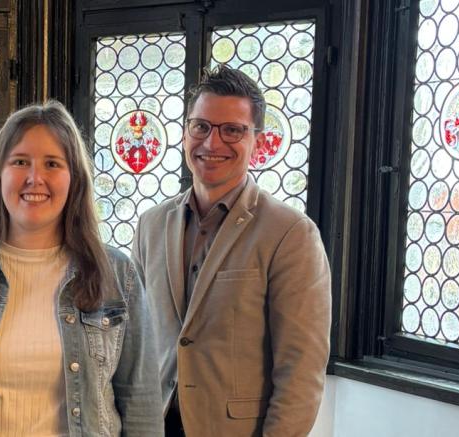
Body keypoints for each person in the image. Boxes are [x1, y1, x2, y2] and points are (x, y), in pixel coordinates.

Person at [0, 101, 163, 436]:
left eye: (52, 163)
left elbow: (140, 399)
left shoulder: (116, 274)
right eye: (20, 162)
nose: (34, 178)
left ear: (75, 179)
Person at [132, 65, 331, 437]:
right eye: (201, 126)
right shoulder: (151, 225)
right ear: (186, 131)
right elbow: (136, 344)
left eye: (232, 130)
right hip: (153, 426)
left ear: (257, 140)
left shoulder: (291, 234)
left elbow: (300, 372)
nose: (212, 143)